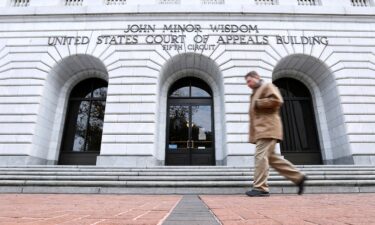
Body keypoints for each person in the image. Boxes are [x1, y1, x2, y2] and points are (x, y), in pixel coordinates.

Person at [245, 71, 307, 197]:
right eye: (247, 82)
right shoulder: (256, 92)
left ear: (257, 77)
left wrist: (258, 103)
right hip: (263, 130)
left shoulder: (267, 86)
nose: (248, 84)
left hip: (268, 129)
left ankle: (261, 188)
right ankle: (298, 177)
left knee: (260, 157)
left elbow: (277, 100)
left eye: (249, 80)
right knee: (273, 159)